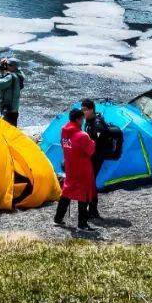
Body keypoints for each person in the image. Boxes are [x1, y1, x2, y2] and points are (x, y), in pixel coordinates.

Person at [53, 106, 96, 236]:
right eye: (82, 118)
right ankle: (82, 224)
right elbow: (90, 151)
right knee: (84, 195)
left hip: (70, 167)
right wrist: (92, 141)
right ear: (78, 119)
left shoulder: (64, 131)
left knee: (67, 192)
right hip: (82, 168)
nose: (83, 121)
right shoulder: (82, 135)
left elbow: (64, 145)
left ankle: (58, 218)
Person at [80, 98, 116, 223]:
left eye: (84, 110)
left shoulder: (97, 123)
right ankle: (92, 210)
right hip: (91, 156)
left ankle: (93, 210)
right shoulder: (89, 121)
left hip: (96, 157)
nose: (82, 112)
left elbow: (97, 141)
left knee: (90, 183)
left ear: (91, 110)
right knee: (90, 182)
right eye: (82, 110)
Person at [0, 56, 24, 126]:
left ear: (12, 66)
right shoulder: (18, 74)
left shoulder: (10, 77)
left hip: (8, 109)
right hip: (14, 109)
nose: (6, 67)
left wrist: (1, 74)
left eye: (7, 65)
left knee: (6, 130)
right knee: (12, 128)